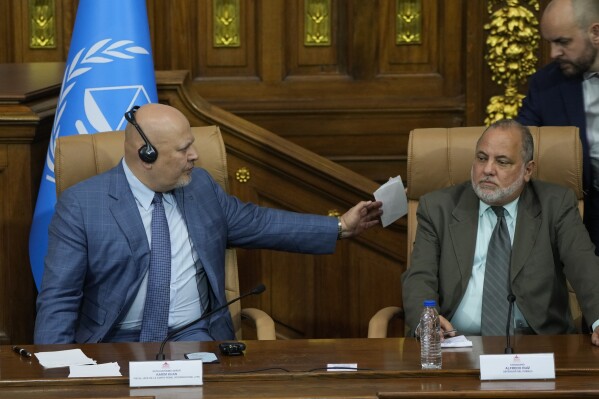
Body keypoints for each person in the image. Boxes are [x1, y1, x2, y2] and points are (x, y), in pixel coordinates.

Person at [34, 103, 383, 344]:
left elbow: (260, 222)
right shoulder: (81, 205)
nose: (195, 156)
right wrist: (55, 371)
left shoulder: (199, 188)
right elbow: (59, 298)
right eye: (183, 150)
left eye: (193, 146)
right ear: (147, 156)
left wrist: (340, 227)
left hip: (194, 338)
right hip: (116, 342)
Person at [401, 119, 599, 346]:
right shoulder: (438, 208)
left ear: (528, 170)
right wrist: (427, 322)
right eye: (482, 158)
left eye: (502, 162)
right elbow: (420, 276)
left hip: (538, 344)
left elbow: (583, 264)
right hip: (455, 343)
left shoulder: (555, 204)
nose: (487, 170)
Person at [516, 0, 599, 253]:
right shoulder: (546, 84)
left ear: (595, 33)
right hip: (585, 217)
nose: (553, 54)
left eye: (563, 42)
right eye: (550, 43)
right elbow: (516, 144)